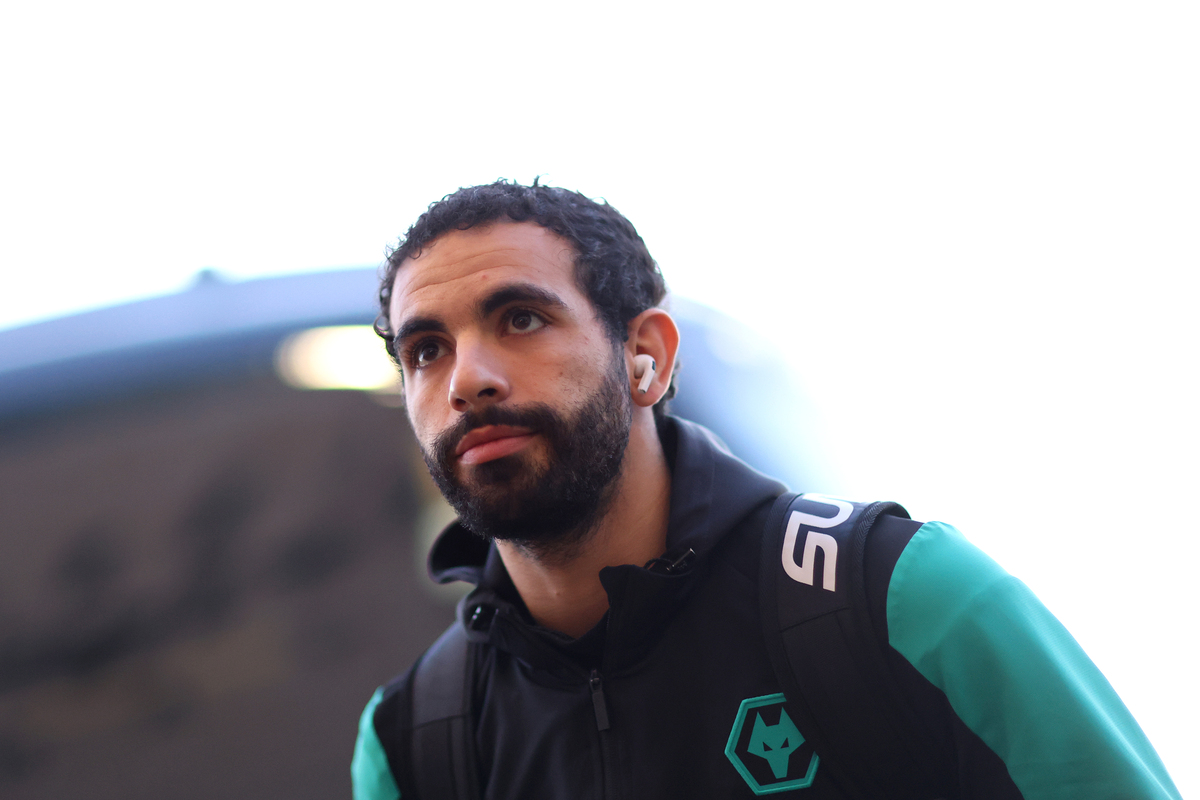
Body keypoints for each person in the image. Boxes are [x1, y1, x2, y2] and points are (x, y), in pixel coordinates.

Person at [351, 180, 1179, 799]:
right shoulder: (416, 741)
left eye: (521, 319)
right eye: (426, 349)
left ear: (648, 355)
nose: (469, 379)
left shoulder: (900, 598)